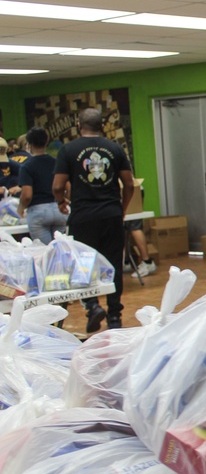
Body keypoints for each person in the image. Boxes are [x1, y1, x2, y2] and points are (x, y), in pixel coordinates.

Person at [53, 108, 135, 332]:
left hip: (83, 216)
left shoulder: (68, 150)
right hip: (111, 214)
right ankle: (115, 315)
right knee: (113, 265)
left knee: (83, 264)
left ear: (80, 125)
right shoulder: (115, 148)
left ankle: (92, 306)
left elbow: (58, 186)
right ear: (101, 125)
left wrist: (61, 201)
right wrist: (122, 208)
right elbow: (129, 184)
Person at [16, 127, 68, 244]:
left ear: (29, 144)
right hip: (58, 209)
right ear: (46, 142)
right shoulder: (56, 162)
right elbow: (68, 186)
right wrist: (64, 201)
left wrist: (20, 210)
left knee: (44, 253)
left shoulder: (26, 166)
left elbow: (27, 195)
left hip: (38, 212)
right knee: (61, 250)